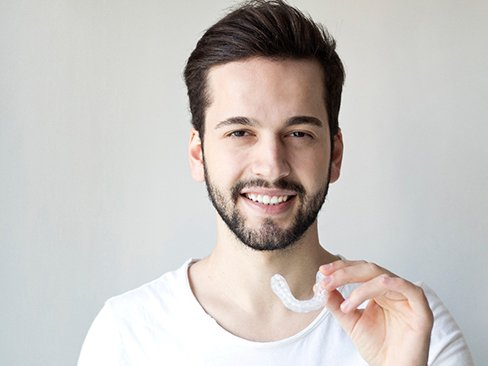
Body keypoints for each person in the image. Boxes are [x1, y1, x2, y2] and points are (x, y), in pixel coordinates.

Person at [78, 1, 474, 365]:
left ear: (334, 155)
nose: (271, 166)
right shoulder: (126, 334)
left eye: (299, 133)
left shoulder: (414, 323)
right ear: (198, 154)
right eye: (239, 133)